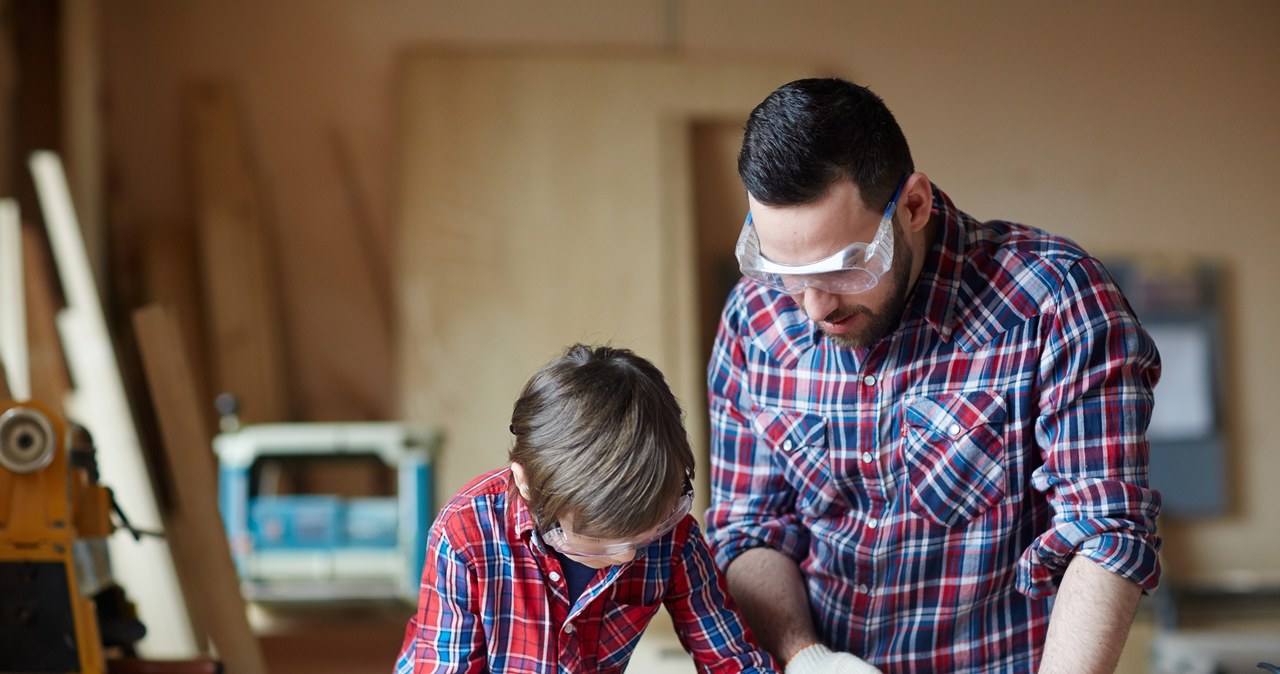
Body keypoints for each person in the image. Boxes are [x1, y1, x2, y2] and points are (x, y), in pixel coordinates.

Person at [705, 77, 1162, 674]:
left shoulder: (1055, 303)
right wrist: (806, 656)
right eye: (784, 272)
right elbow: (749, 529)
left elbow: (1105, 533)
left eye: (843, 268)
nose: (814, 307)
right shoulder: (754, 320)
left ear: (913, 205)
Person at [397, 344, 779, 674]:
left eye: (644, 535)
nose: (628, 555)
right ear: (526, 482)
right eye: (598, 542)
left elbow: (732, 657)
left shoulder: (672, 534)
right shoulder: (466, 535)